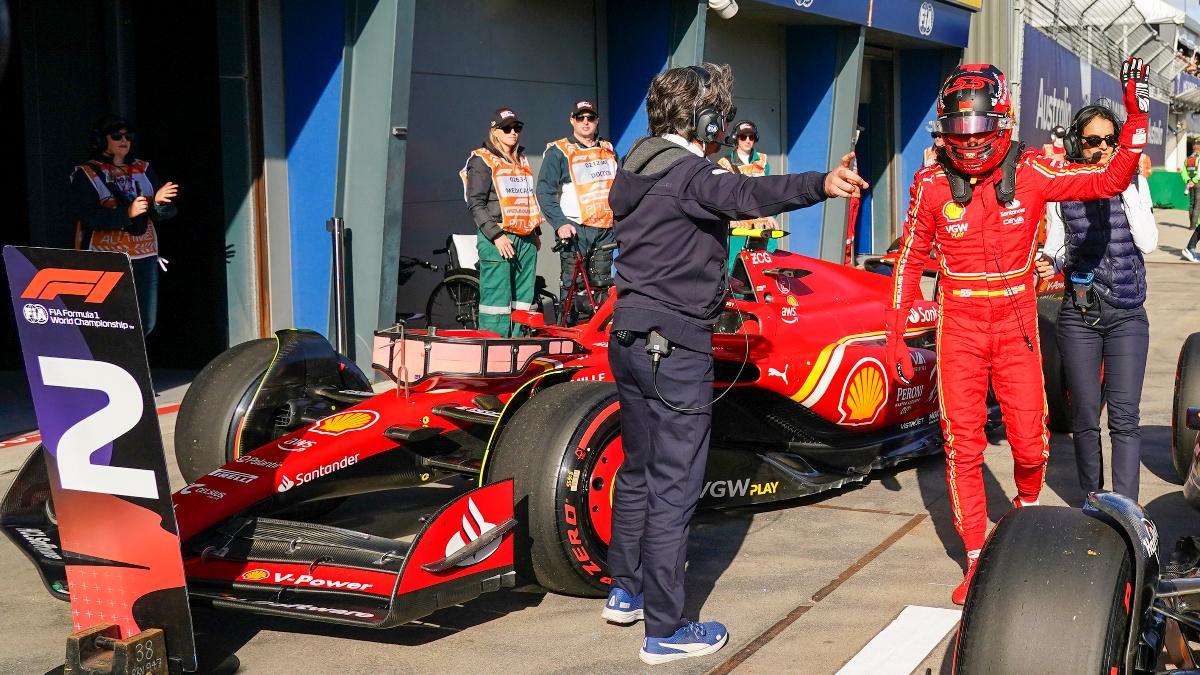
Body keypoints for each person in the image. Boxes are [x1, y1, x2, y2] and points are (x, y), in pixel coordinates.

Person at [604, 62, 866, 664]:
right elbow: (747, 195)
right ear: (707, 119)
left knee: (639, 470)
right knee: (676, 485)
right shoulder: (691, 174)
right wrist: (820, 183)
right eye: (717, 119)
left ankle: (626, 589)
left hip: (628, 339)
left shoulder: (634, 166)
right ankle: (665, 630)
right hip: (675, 345)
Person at [884, 59, 1149, 606]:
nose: (970, 141)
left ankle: (1024, 513)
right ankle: (978, 556)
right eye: (959, 131)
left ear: (1001, 121)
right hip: (956, 328)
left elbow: (1111, 178)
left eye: (979, 129)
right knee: (962, 446)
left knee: (1031, 444)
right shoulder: (931, 181)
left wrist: (1135, 115)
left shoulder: (1032, 171)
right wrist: (896, 333)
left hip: (1016, 328)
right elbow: (909, 258)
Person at [1035, 104, 1156, 504]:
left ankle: (1127, 512)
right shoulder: (1061, 187)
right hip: (1079, 314)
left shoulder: (1135, 181)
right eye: (1093, 141)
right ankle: (1093, 501)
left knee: (1125, 420)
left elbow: (1149, 243)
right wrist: (1049, 260)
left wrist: (1129, 184)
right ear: (1077, 144)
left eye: (1110, 140)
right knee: (1086, 417)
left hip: (1127, 315)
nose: (1103, 148)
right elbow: (1055, 246)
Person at [71, 115, 179, 335]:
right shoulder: (86, 173)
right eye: (116, 136)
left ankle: (133, 365)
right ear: (102, 140)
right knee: (110, 318)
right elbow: (89, 216)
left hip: (144, 254)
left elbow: (165, 214)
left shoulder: (143, 168)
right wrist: (126, 214)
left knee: (144, 321)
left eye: (128, 136)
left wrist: (158, 203)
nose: (124, 140)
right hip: (106, 255)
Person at [460, 108, 542, 336]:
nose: (513, 133)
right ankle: (494, 352)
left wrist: (534, 233)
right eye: (507, 128)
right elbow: (475, 203)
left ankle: (517, 349)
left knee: (523, 302)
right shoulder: (481, 159)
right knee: (496, 302)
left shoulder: (521, 160)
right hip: (498, 238)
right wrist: (496, 235)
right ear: (495, 131)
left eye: (517, 128)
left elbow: (527, 198)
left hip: (525, 239)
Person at [536, 99, 618, 324]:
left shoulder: (608, 150)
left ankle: (597, 333)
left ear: (597, 121)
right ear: (572, 120)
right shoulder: (559, 152)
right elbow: (544, 192)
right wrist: (560, 223)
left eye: (590, 117)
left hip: (604, 229)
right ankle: (568, 331)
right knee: (573, 284)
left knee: (601, 284)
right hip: (575, 229)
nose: (585, 122)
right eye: (580, 117)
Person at [716, 120, 778, 272]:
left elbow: (768, 194)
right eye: (743, 137)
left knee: (764, 271)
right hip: (738, 229)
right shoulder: (724, 164)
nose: (748, 141)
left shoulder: (763, 161)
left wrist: (772, 216)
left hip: (761, 227)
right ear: (736, 138)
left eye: (751, 137)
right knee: (736, 272)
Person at [1183, 140, 1200, 261]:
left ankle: (1192, 225)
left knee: (1191, 205)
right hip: (1198, 183)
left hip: (1190, 184)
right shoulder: (1198, 159)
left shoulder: (1187, 159)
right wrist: (1194, 180)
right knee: (1197, 206)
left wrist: (1188, 181)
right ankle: (1190, 246)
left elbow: (1183, 173)